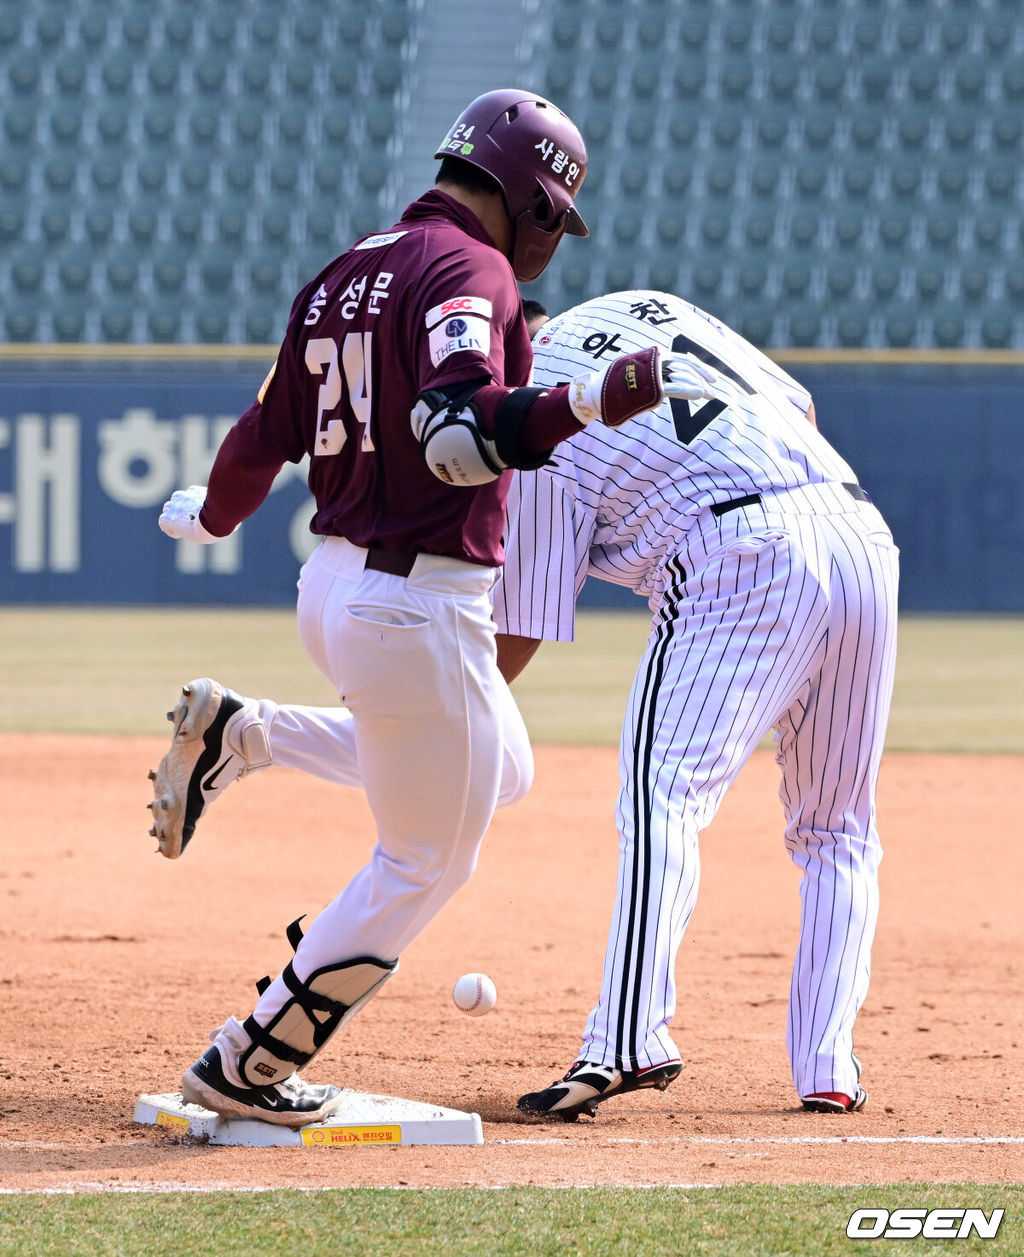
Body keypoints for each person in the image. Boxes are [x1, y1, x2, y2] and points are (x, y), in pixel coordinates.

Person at [148, 95, 717, 1127]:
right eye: (550, 210)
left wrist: (217, 516)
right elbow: (460, 439)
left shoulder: (339, 274)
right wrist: (590, 402)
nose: (548, 234)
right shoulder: (469, 269)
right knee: (424, 859)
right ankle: (248, 1063)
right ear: (522, 193)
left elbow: (260, 433)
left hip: (333, 584)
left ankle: (246, 733)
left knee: (499, 766)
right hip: (418, 598)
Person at [493, 289, 899, 1121]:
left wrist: (454, 706)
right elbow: (801, 403)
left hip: (737, 549)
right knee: (838, 828)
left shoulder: (534, 413)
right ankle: (828, 1065)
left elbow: (525, 621)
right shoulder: (645, 304)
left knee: (662, 794)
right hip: (859, 532)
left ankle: (625, 1039)